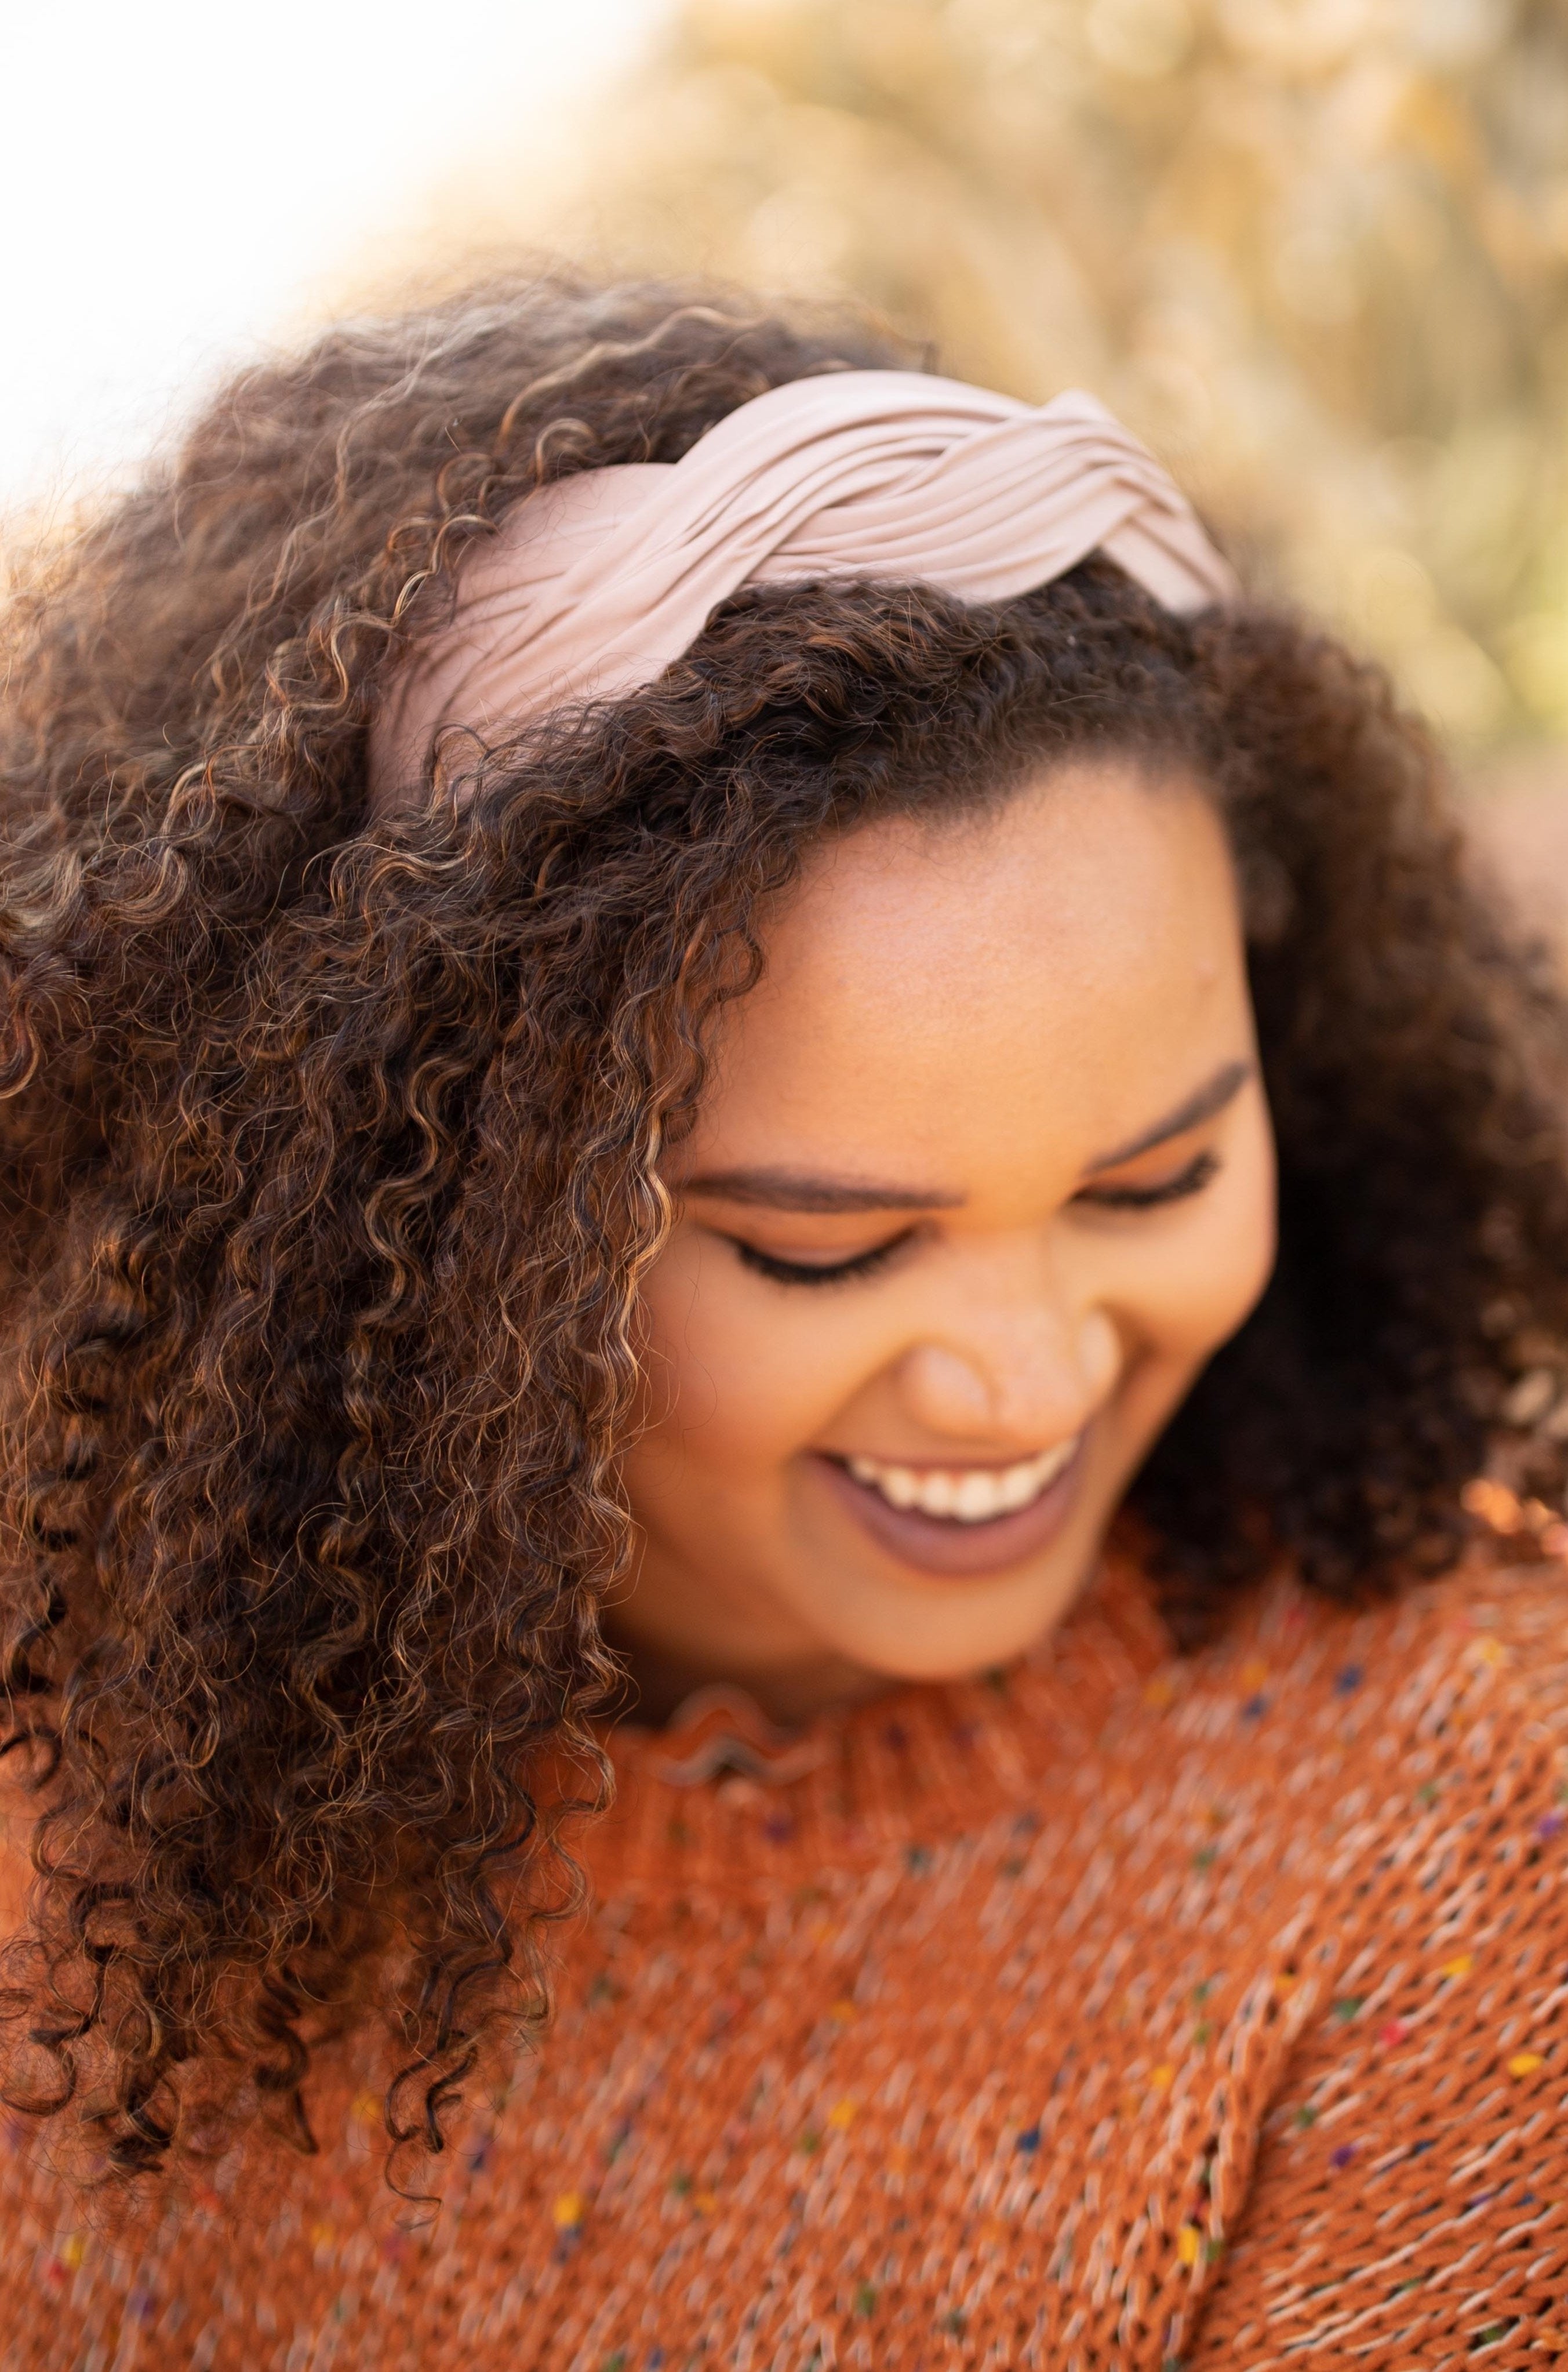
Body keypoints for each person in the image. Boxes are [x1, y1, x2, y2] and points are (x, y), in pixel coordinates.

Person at [2, 271, 1567, 2370]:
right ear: (429, 1252)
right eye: (828, 1251)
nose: (1026, 1377)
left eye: (1157, 1178)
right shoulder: (83, 1831)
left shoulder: (1468, 1827)